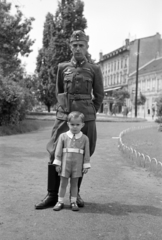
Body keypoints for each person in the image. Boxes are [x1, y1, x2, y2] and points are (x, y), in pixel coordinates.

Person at [35, 30, 104, 210]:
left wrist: (88, 112)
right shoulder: (62, 67)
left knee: (80, 153)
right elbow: (59, 91)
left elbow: (99, 95)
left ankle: (76, 193)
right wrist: (64, 111)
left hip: (85, 119)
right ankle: (51, 195)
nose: (78, 48)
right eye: (75, 45)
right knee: (53, 151)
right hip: (64, 116)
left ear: (87, 47)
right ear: (70, 47)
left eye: (81, 45)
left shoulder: (94, 69)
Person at [53, 111, 90, 211]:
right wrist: (57, 163)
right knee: (63, 184)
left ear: (82, 125)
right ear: (68, 124)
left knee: (74, 185)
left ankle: (73, 201)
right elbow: (58, 151)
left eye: (77, 124)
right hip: (65, 164)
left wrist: (86, 165)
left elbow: (87, 153)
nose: (75, 127)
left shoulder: (85, 139)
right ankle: (60, 201)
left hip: (77, 166)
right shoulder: (63, 136)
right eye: (72, 124)